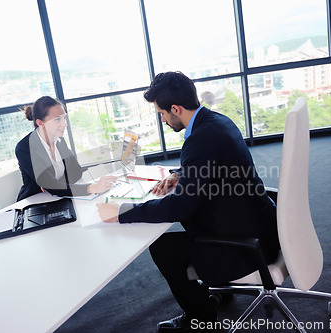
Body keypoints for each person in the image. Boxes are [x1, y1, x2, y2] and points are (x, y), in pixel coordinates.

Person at [97, 72, 280, 332]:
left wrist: (120, 212)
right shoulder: (217, 121)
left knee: (163, 248)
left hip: (248, 246)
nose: (162, 119)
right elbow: (214, 165)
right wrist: (179, 175)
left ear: (175, 109)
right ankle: (221, 292)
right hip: (262, 227)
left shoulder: (200, 138)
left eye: (162, 113)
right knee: (186, 230)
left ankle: (201, 320)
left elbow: (181, 206)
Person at [15, 96, 115, 201]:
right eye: (57, 119)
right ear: (40, 123)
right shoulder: (24, 148)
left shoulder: (59, 140)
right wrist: (92, 187)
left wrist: (55, 185)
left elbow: (76, 172)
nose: (65, 124)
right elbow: (52, 186)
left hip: (60, 197)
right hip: (35, 202)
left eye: (64, 118)